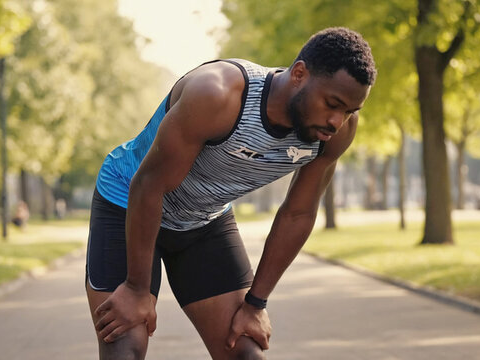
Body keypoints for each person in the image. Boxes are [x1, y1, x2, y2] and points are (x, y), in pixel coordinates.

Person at [87, 27, 376, 359]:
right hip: (128, 203)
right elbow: (148, 185)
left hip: (203, 222)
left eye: (350, 111)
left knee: (244, 351)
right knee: (125, 348)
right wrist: (137, 289)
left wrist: (255, 303)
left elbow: (298, 213)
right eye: (332, 104)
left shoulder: (336, 133)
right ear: (299, 74)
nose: (337, 121)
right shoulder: (218, 94)